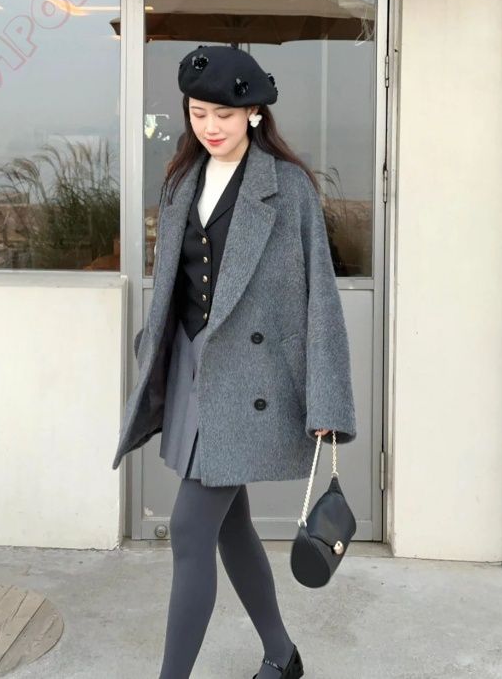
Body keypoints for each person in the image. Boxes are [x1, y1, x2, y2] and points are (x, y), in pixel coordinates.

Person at [112, 44, 357, 679]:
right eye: (198, 113)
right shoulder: (180, 180)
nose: (210, 127)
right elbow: (174, 283)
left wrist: (328, 399)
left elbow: (321, 297)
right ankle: (282, 654)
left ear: (253, 112)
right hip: (193, 371)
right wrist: (152, 350)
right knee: (230, 527)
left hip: (252, 381)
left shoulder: (288, 188)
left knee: (190, 530)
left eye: (223, 114)